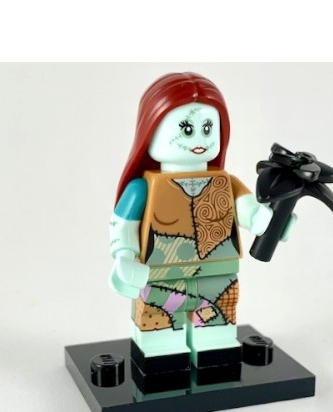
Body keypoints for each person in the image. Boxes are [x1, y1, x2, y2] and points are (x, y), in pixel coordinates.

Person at [109, 72, 278, 371]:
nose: (199, 140)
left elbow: (250, 212)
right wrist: (124, 254)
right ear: (150, 129)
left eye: (208, 128)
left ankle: (215, 352)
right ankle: (161, 356)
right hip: (160, 274)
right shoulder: (142, 188)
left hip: (218, 271)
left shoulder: (226, 183)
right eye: (186, 129)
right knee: (160, 321)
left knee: (217, 318)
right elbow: (123, 226)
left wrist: (269, 219)